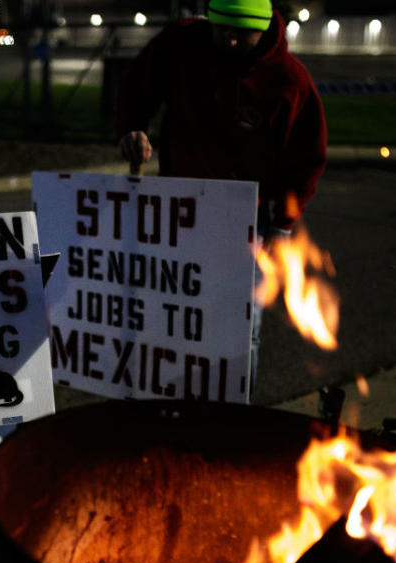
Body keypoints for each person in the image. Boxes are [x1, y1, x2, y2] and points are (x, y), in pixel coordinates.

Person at [115, 0, 327, 398]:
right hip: (178, 207)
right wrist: (132, 127)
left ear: (262, 29)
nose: (227, 40)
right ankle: (171, 402)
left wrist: (282, 224)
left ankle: (227, 414)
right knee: (173, 314)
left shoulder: (288, 81)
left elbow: (305, 159)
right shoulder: (182, 44)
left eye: (239, 32)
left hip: (244, 218)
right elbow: (137, 83)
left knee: (238, 326)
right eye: (220, 29)